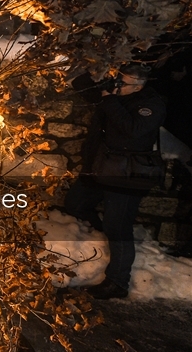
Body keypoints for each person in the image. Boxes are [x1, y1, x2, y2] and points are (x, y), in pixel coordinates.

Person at [65, 64, 167, 299]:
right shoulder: (115, 92)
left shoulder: (151, 104)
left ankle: (118, 282)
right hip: (100, 168)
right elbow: (87, 90)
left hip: (126, 176)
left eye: (124, 83)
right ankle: (101, 237)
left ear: (139, 85)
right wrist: (80, 71)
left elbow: (132, 129)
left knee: (119, 228)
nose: (117, 86)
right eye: (117, 80)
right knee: (76, 204)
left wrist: (109, 99)